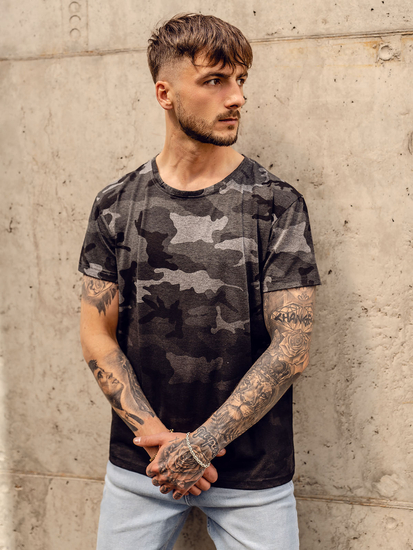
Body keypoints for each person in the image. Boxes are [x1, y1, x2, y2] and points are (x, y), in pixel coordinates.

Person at [79, 13, 321, 550]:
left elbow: (293, 347)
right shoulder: (116, 204)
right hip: (142, 467)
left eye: (240, 80)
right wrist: (158, 442)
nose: (236, 97)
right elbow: (96, 334)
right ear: (164, 93)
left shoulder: (276, 204)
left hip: (252, 476)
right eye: (214, 80)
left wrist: (201, 446)